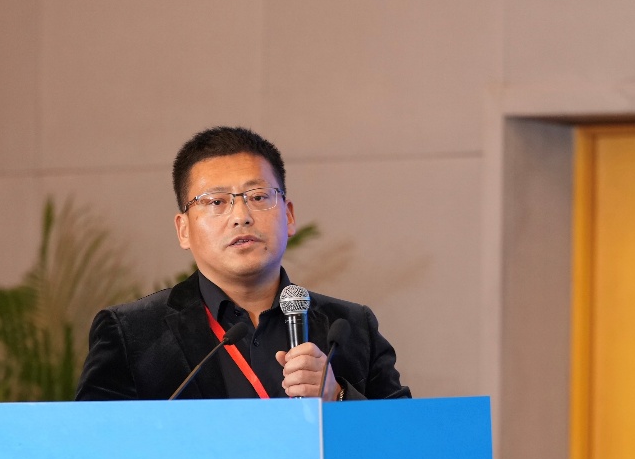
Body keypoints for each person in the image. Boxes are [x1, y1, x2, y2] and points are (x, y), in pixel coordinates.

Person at [74, 126, 410, 402]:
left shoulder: (352, 327)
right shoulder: (132, 333)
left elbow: (407, 445)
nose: (241, 216)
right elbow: (94, 449)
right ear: (184, 229)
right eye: (216, 202)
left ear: (289, 216)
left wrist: (338, 396)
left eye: (259, 197)